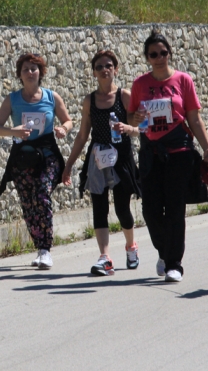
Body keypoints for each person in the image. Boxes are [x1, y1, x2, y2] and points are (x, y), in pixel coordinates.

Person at [127, 29, 208, 282]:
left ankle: (174, 263)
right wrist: (137, 118)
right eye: (153, 54)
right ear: (147, 57)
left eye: (163, 52)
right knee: (151, 210)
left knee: (175, 209)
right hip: (151, 153)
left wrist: (207, 147)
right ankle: (164, 252)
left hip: (179, 152)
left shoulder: (183, 80)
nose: (159, 57)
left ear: (170, 53)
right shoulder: (140, 84)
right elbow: (131, 117)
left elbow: (194, 118)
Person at [62, 50, 142, 276]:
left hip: (121, 158)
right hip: (97, 158)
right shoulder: (90, 101)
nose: (104, 70)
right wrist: (68, 166)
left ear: (116, 69)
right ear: (94, 73)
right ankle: (105, 257)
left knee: (122, 208)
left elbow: (139, 129)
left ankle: (131, 246)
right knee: (99, 206)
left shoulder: (124, 97)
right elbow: (82, 135)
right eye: (99, 67)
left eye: (108, 65)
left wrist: (128, 129)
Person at [0, 53, 73, 270]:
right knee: (28, 203)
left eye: (34, 68)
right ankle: (39, 247)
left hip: (47, 155)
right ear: (20, 74)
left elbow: (68, 120)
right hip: (23, 156)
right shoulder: (12, 99)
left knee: (41, 194)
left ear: (41, 72)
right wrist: (13, 131)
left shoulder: (51, 97)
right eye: (26, 69)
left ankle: (46, 249)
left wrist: (63, 128)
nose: (30, 72)